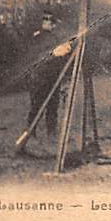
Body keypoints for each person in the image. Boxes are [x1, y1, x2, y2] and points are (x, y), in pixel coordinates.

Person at [25, 11, 71, 140]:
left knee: (53, 106)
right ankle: (31, 132)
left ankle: (51, 133)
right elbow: (39, 55)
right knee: (36, 106)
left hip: (53, 76)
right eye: (46, 22)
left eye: (51, 22)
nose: (49, 24)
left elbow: (63, 53)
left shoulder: (55, 38)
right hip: (39, 77)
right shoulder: (37, 38)